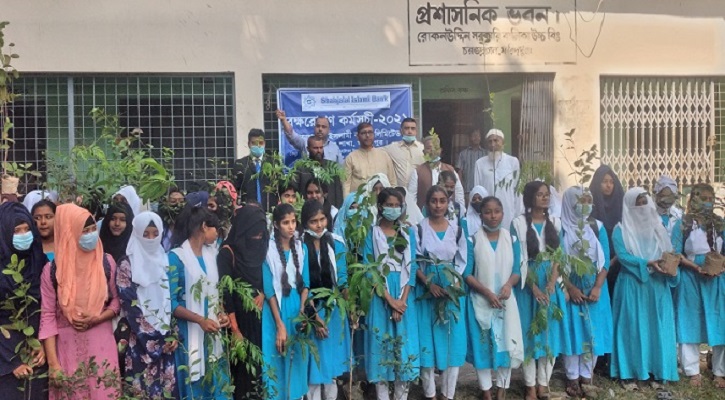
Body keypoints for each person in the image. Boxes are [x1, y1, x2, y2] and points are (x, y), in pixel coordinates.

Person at [39, 203, 121, 400]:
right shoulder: (52, 271)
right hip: (67, 349)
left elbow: (117, 302)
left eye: (93, 229)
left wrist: (97, 318)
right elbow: (48, 315)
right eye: (84, 231)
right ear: (69, 232)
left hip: (102, 346)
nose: (90, 235)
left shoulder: (106, 262)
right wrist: (54, 364)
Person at [610, 188, 679, 389]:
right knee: (632, 327)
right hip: (633, 284)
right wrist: (647, 263)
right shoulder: (620, 229)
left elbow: (669, 252)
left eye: (644, 201)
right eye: (637, 203)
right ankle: (629, 372)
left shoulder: (658, 227)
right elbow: (622, 256)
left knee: (656, 327)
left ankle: (657, 371)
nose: (642, 206)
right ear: (629, 205)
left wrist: (669, 267)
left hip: (657, 284)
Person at [510, 181, 569, 400]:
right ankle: (529, 384)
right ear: (530, 198)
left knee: (548, 333)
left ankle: (544, 381)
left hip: (550, 283)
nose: (545, 198)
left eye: (547, 195)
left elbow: (558, 255)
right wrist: (533, 286)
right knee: (529, 334)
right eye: (540, 195)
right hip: (528, 284)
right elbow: (518, 258)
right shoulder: (517, 223)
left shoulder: (555, 222)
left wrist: (553, 282)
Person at [168, 206, 231, 399]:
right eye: (215, 229)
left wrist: (221, 313)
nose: (217, 234)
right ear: (204, 227)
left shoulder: (212, 255)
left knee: (217, 382)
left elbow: (214, 291)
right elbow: (172, 302)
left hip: (212, 330)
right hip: (190, 332)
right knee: (195, 383)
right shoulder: (176, 257)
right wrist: (200, 320)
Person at [362, 187, 419, 400]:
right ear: (380, 207)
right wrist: (390, 301)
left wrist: (401, 301)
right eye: (389, 205)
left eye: (397, 205)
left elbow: (411, 268)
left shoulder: (407, 233)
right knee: (381, 350)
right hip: (381, 296)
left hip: (404, 296)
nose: (393, 209)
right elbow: (370, 270)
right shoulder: (371, 234)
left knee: (404, 350)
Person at [416, 186, 472, 400]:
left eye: (442, 201)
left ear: (448, 203)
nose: (438, 205)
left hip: (451, 291)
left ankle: (448, 394)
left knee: (452, 340)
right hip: (427, 292)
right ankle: (429, 393)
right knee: (427, 341)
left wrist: (452, 284)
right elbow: (416, 262)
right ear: (427, 203)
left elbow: (462, 260)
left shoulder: (457, 229)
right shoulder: (419, 229)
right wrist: (429, 284)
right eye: (433, 201)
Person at [465, 196, 523, 400]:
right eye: (488, 212)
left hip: (506, 301)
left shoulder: (511, 239)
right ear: (480, 215)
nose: (493, 216)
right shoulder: (472, 239)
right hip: (481, 301)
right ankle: (486, 392)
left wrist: (508, 285)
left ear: (503, 213)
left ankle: (502, 390)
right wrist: (487, 292)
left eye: (497, 211)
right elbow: (467, 273)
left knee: (506, 343)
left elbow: (517, 269)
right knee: (483, 346)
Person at [117, 211, 178, 399]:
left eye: (155, 233)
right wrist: (155, 341)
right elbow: (129, 304)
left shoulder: (165, 261)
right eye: (145, 234)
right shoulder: (127, 264)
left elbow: (171, 299)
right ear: (136, 233)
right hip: (139, 343)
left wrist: (172, 334)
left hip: (166, 341)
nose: (151, 239)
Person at [560, 187, 613, 398]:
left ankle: (587, 376)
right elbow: (557, 261)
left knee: (593, 330)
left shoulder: (597, 227)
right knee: (573, 331)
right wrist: (570, 287)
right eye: (580, 200)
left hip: (595, 289)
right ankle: (572, 377)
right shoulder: (560, 228)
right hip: (571, 288)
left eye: (588, 200)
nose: (586, 204)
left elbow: (606, 260)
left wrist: (598, 286)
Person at [671, 183, 725, 388]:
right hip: (690, 278)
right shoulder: (683, 224)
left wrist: (720, 268)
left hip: (716, 280)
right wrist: (695, 267)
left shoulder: (719, 224)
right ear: (692, 199)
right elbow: (676, 252)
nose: (707, 202)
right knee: (689, 321)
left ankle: (720, 372)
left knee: (720, 323)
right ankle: (692, 370)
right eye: (702, 198)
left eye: (710, 198)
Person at [217, 204, 270, 399]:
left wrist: (263, 293)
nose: (257, 238)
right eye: (253, 233)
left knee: (260, 372)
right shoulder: (227, 253)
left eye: (261, 233)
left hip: (261, 321)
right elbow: (225, 293)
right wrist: (235, 330)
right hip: (237, 322)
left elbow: (267, 276)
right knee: (241, 375)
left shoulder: (263, 248)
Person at [300, 201, 350, 400]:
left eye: (322, 220)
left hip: (333, 310)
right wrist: (314, 317)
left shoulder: (336, 242)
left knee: (330, 369)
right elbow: (302, 284)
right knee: (314, 368)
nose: (319, 225)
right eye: (313, 222)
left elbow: (343, 278)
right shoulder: (299, 245)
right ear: (305, 223)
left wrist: (350, 307)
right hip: (310, 307)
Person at [261, 203, 310, 400]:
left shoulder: (301, 246)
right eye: (285, 223)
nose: (291, 227)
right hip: (275, 311)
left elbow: (305, 283)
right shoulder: (267, 249)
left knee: (296, 361)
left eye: (293, 222)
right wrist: (280, 324)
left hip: (296, 308)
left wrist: (302, 311)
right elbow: (268, 289)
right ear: (276, 225)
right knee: (275, 360)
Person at [0, 202, 48, 399]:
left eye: (27, 229)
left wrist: (42, 345)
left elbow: (48, 310)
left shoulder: (40, 262)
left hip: (36, 354)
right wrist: (9, 362)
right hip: (6, 358)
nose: (24, 235)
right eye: (17, 230)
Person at [589, 165, 625, 299]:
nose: (609, 185)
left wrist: (615, 259)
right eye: (604, 182)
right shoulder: (589, 208)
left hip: (621, 263)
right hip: (595, 267)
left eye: (611, 182)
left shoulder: (622, 205)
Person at [473, 129, 521, 229]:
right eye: (490, 141)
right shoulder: (480, 163)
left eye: (496, 140)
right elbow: (478, 191)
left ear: (502, 143)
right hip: (487, 212)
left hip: (508, 211)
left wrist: (518, 215)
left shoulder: (512, 161)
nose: (493, 144)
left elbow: (517, 191)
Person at [408, 135, 464, 211]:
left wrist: (460, 212)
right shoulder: (417, 172)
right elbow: (411, 198)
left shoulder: (450, 170)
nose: (432, 150)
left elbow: (459, 194)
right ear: (424, 152)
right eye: (428, 148)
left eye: (435, 147)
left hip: (449, 216)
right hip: (424, 216)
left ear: (440, 150)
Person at [343, 122, 397, 196]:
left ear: (374, 135)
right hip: (359, 203)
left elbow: (392, 181)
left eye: (370, 132)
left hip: (381, 201)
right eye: (364, 133)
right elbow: (346, 184)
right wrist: (349, 204)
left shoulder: (384, 155)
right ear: (358, 136)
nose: (367, 135)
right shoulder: (351, 157)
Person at [232, 129, 279, 210]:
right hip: (247, 212)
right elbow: (233, 189)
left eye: (260, 143)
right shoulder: (240, 164)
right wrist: (235, 206)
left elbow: (280, 188)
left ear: (264, 144)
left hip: (270, 211)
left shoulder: (274, 164)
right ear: (249, 144)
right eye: (254, 143)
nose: (258, 146)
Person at [278, 110, 344, 165]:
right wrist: (284, 120)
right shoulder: (305, 142)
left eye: (323, 127)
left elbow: (342, 171)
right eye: (318, 126)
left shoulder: (335, 148)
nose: (320, 129)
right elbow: (291, 135)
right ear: (314, 128)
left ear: (329, 130)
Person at [295, 136, 344, 208]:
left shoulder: (331, 167)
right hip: (308, 210)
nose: (319, 151)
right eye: (315, 148)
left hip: (330, 210)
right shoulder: (301, 169)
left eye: (321, 148)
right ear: (308, 149)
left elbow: (338, 193)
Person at [382, 118, 425, 188]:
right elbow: (375, 152)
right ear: (401, 131)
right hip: (398, 193)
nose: (410, 131)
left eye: (413, 128)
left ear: (416, 131)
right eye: (407, 128)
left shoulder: (422, 149)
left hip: (417, 192)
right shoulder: (392, 148)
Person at [456, 128, 487, 198]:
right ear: (470, 138)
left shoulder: (485, 154)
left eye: (478, 136)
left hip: (482, 191)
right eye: (474, 135)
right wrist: (460, 189)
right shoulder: (463, 154)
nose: (476, 138)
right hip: (467, 191)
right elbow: (460, 172)